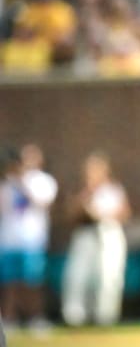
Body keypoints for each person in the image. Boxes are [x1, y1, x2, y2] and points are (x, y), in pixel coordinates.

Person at [61, 152, 131, 327]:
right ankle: (74, 316)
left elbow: (125, 213)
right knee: (77, 275)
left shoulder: (113, 190)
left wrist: (103, 214)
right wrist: (85, 199)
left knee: (109, 276)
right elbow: (71, 214)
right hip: (85, 233)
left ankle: (105, 316)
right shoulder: (81, 191)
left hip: (108, 233)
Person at [0, 143, 58, 336]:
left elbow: (41, 203)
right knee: (10, 282)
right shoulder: (7, 182)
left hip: (32, 240)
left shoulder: (43, 181)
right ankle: (9, 319)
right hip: (8, 240)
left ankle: (36, 319)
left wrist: (22, 183)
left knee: (33, 282)